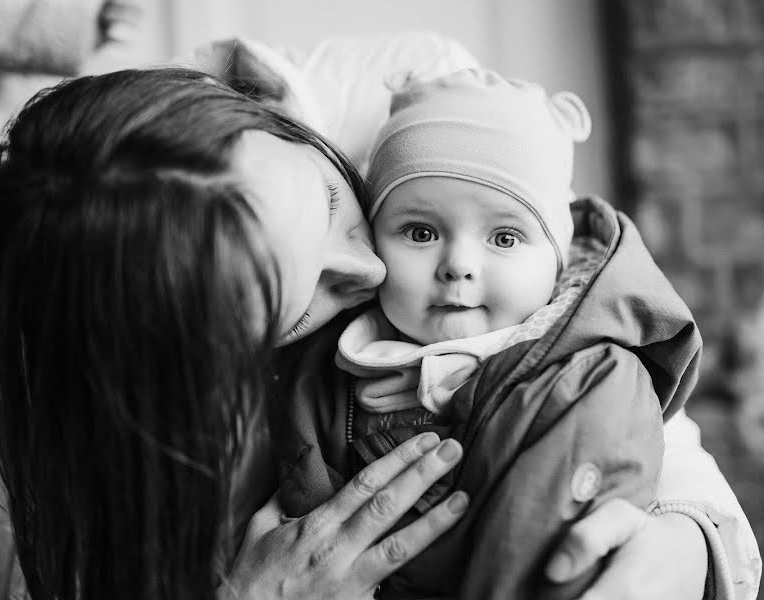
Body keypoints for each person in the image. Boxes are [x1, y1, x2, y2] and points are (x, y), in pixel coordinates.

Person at [0, 67, 752, 600]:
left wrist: (690, 548)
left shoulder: (432, 117)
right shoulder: (66, 469)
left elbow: (635, 398)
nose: (371, 269)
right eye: (302, 298)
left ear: (265, 115)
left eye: (326, 203)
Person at [270, 68, 700, 599]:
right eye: (421, 232)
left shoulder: (590, 384)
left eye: (504, 236)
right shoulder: (328, 369)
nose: (458, 265)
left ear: (558, 262)